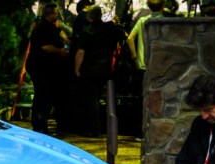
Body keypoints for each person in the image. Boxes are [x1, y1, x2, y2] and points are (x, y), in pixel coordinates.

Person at [73, 6, 125, 139]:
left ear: (89, 16)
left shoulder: (86, 31)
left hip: (89, 70)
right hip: (107, 69)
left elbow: (81, 52)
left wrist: (77, 68)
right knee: (107, 99)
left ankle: (93, 128)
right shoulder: (110, 29)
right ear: (100, 15)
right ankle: (109, 127)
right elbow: (123, 36)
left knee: (91, 99)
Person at [26, 3, 71, 135]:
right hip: (40, 68)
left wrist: (66, 38)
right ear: (49, 14)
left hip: (48, 69)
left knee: (48, 96)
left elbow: (59, 32)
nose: (57, 15)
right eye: (56, 13)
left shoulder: (51, 28)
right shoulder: (41, 29)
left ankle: (43, 123)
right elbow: (45, 47)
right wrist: (60, 51)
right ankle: (39, 125)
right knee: (41, 95)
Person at [127, 0, 164, 72]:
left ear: (149, 6)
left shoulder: (142, 21)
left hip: (143, 65)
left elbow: (130, 38)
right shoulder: (166, 22)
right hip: (160, 66)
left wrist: (135, 58)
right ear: (163, 6)